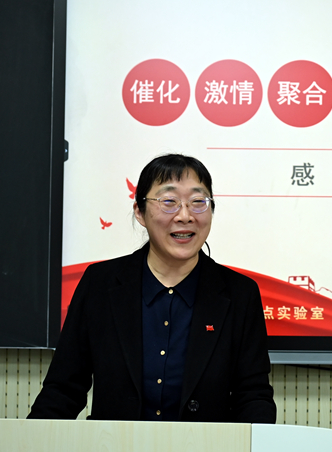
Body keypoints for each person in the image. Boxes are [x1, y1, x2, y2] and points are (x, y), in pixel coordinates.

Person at [29, 154, 277, 423]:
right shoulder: (100, 283)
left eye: (198, 202)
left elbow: (253, 396)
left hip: (204, 443)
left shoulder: (240, 293)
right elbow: (63, 389)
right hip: (114, 442)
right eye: (169, 202)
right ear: (140, 212)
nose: (185, 216)